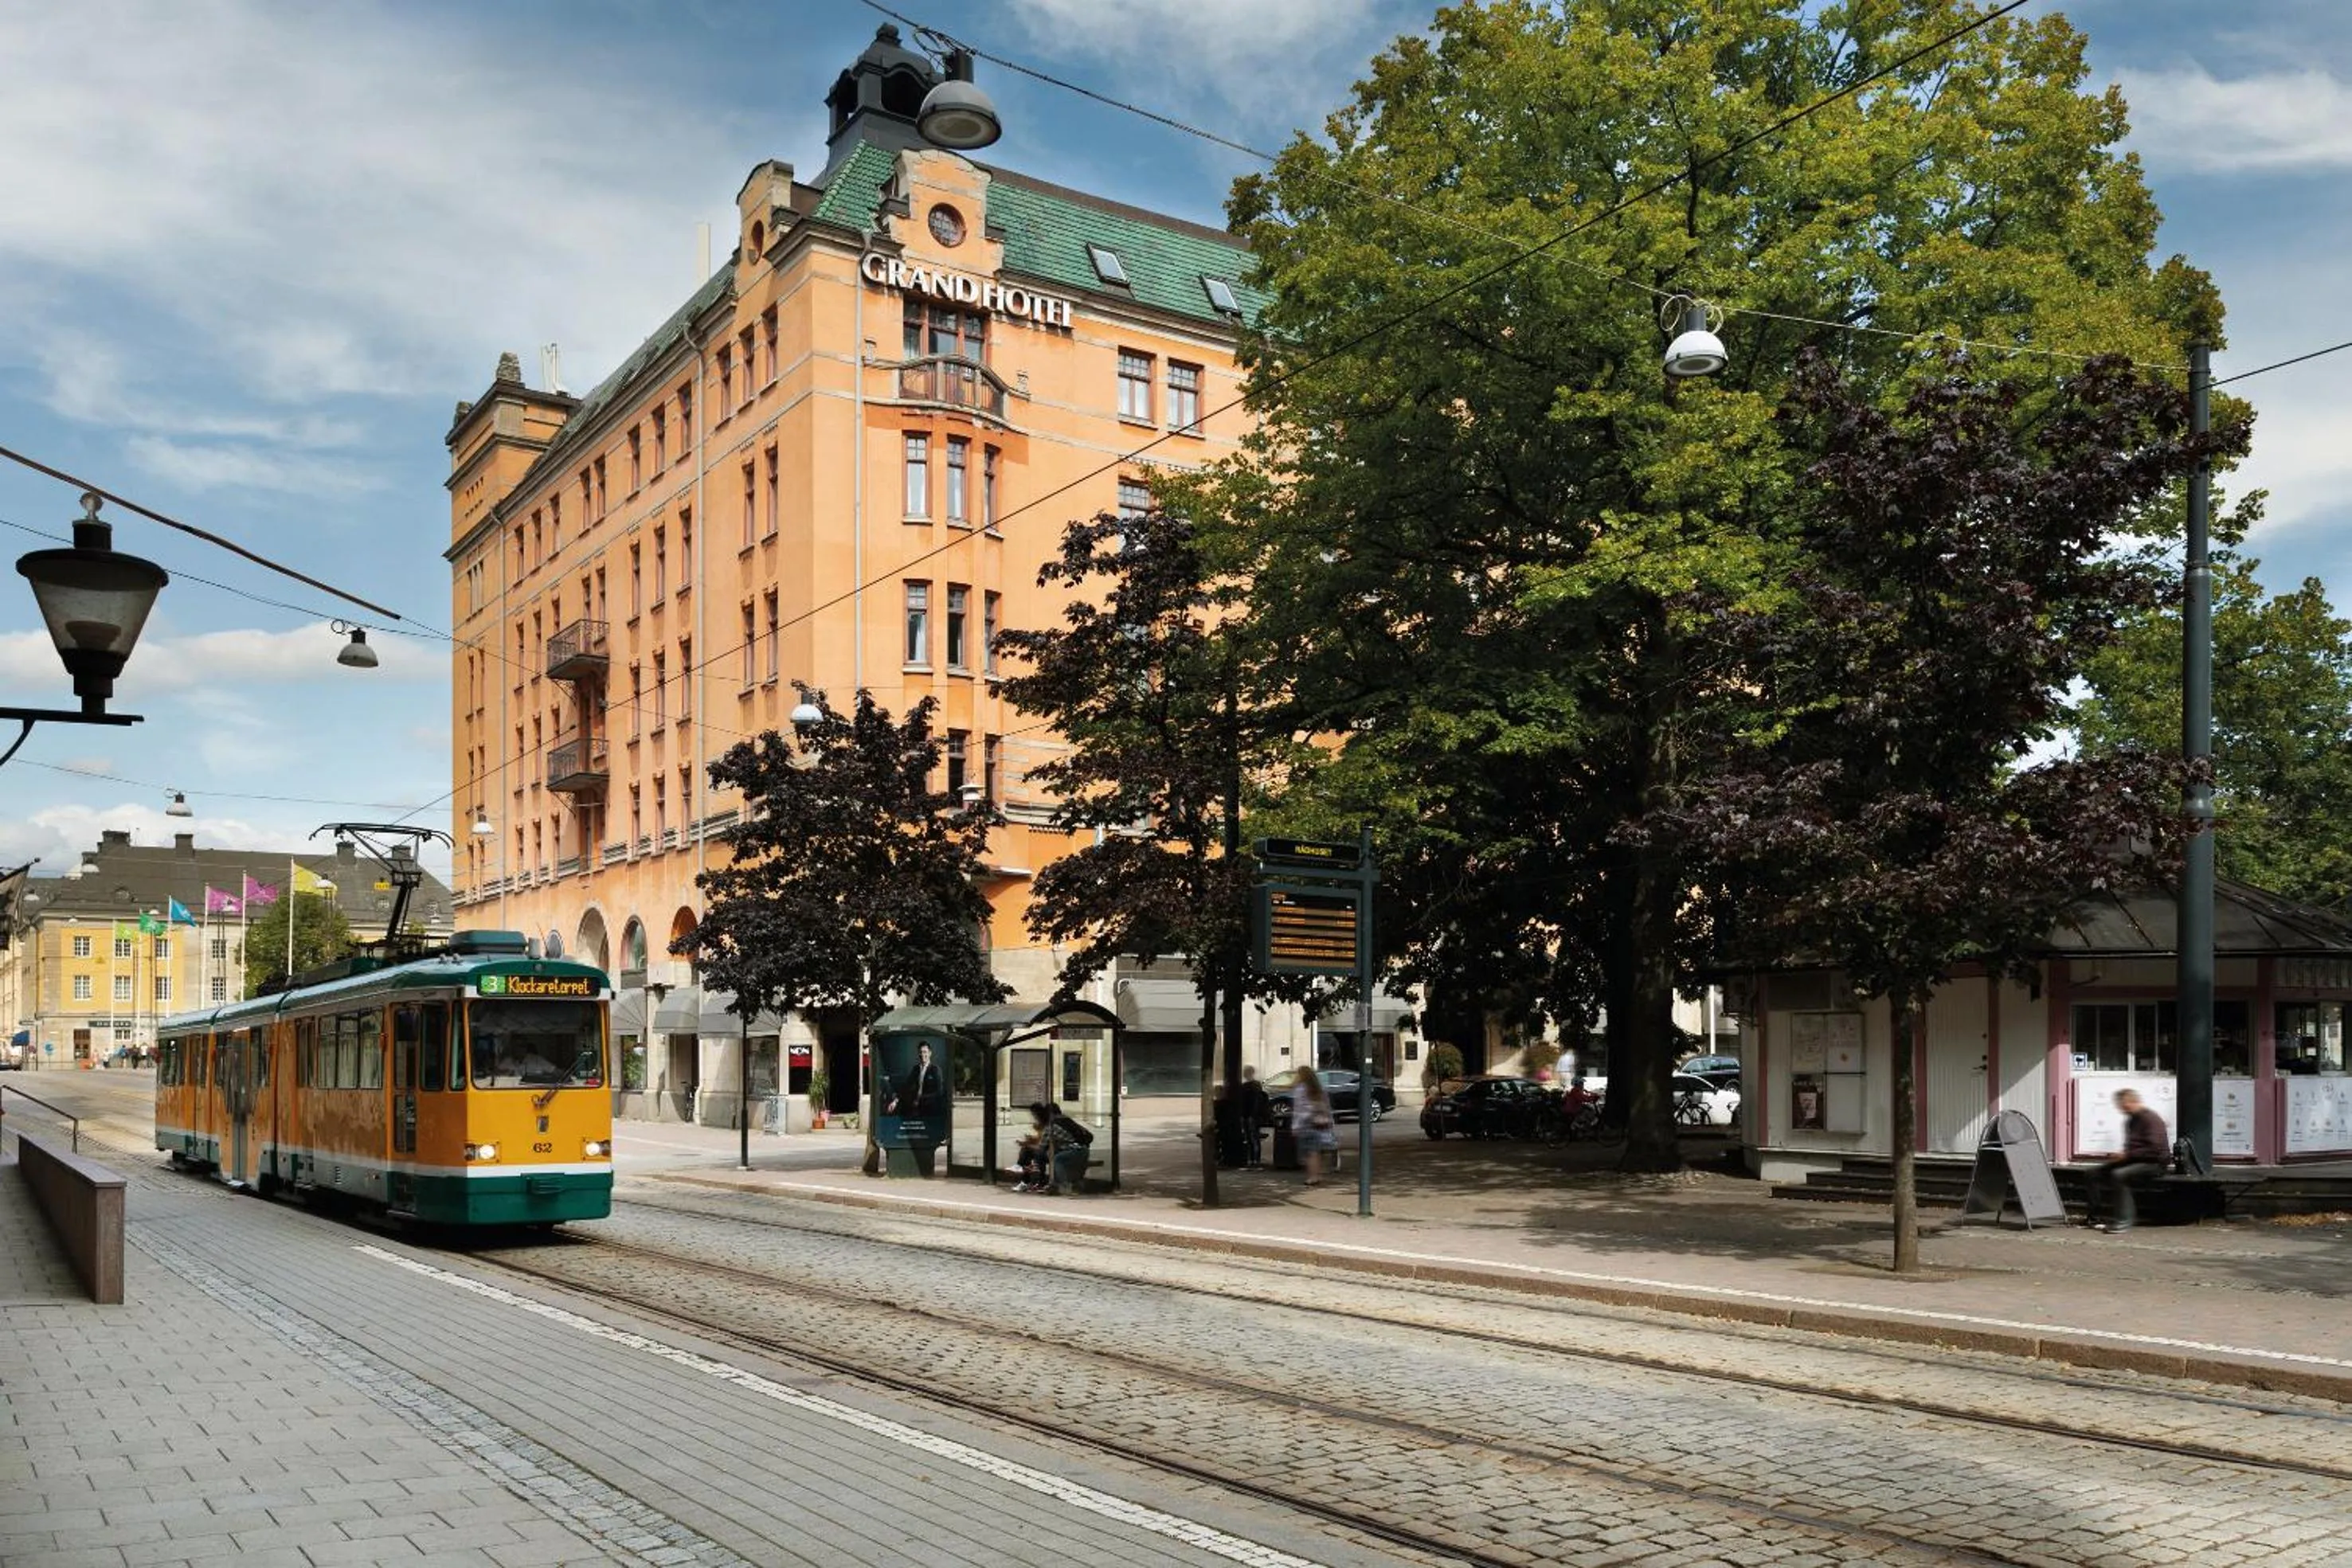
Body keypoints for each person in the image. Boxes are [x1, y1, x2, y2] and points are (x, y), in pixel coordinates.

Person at [2090, 1089, 2170, 1234]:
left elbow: (2155, 1149)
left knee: (2120, 1175)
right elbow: (2133, 1147)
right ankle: (2095, 1217)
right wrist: (2123, 1155)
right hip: (2135, 1159)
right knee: (2093, 1173)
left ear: (2133, 1102)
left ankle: (2124, 1221)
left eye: (2124, 1105)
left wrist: (2127, 1155)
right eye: (2120, 1106)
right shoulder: (2131, 1121)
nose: (2121, 1109)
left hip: (2154, 1163)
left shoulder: (2150, 1119)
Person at [1292, 1065, 1337, 1187]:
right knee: (1316, 1151)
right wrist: (1330, 1122)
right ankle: (1317, 1174)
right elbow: (1327, 1107)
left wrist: (1295, 1126)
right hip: (1319, 1122)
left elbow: (1298, 1109)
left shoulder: (1300, 1089)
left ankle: (1312, 1177)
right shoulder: (1319, 1088)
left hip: (1306, 1122)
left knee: (1308, 1152)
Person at [1043, 1101, 1095, 1193]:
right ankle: (1064, 1184)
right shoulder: (1067, 1120)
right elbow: (1088, 1135)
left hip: (1074, 1152)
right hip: (1084, 1150)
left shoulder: (1052, 1125)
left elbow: (1042, 1145)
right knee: (1058, 1157)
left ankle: (1064, 1185)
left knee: (1056, 1160)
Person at [885, 1040, 945, 1119]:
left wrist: (921, 1100)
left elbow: (939, 1092)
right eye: (921, 1052)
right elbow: (906, 1086)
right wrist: (895, 1101)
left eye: (925, 1052)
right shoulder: (916, 1069)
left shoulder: (935, 1070)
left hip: (930, 1108)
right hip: (915, 1107)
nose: (923, 1055)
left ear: (930, 1053)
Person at [1013, 1102, 1053, 1192]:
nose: (1034, 1117)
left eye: (1034, 1114)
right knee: (1027, 1152)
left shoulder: (1047, 1126)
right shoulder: (1042, 1125)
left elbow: (1042, 1145)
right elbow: (1041, 1139)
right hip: (1046, 1151)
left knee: (1028, 1151)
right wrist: (1030, 1140)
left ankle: (1025, 1179)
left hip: (1048, 1152)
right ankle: (1027, 1181)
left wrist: (1027, 1144)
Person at [1237, 1066, 1271, 1170]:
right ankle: (1254, 1161)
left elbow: (1252, 1103)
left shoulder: (1249, 1087)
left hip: (1250, 1116)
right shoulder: (1255, 1086)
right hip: (1250, 1116)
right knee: (1252, 1139)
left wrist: (1250, 1115)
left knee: (1251, 1139)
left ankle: (1253, 1161)